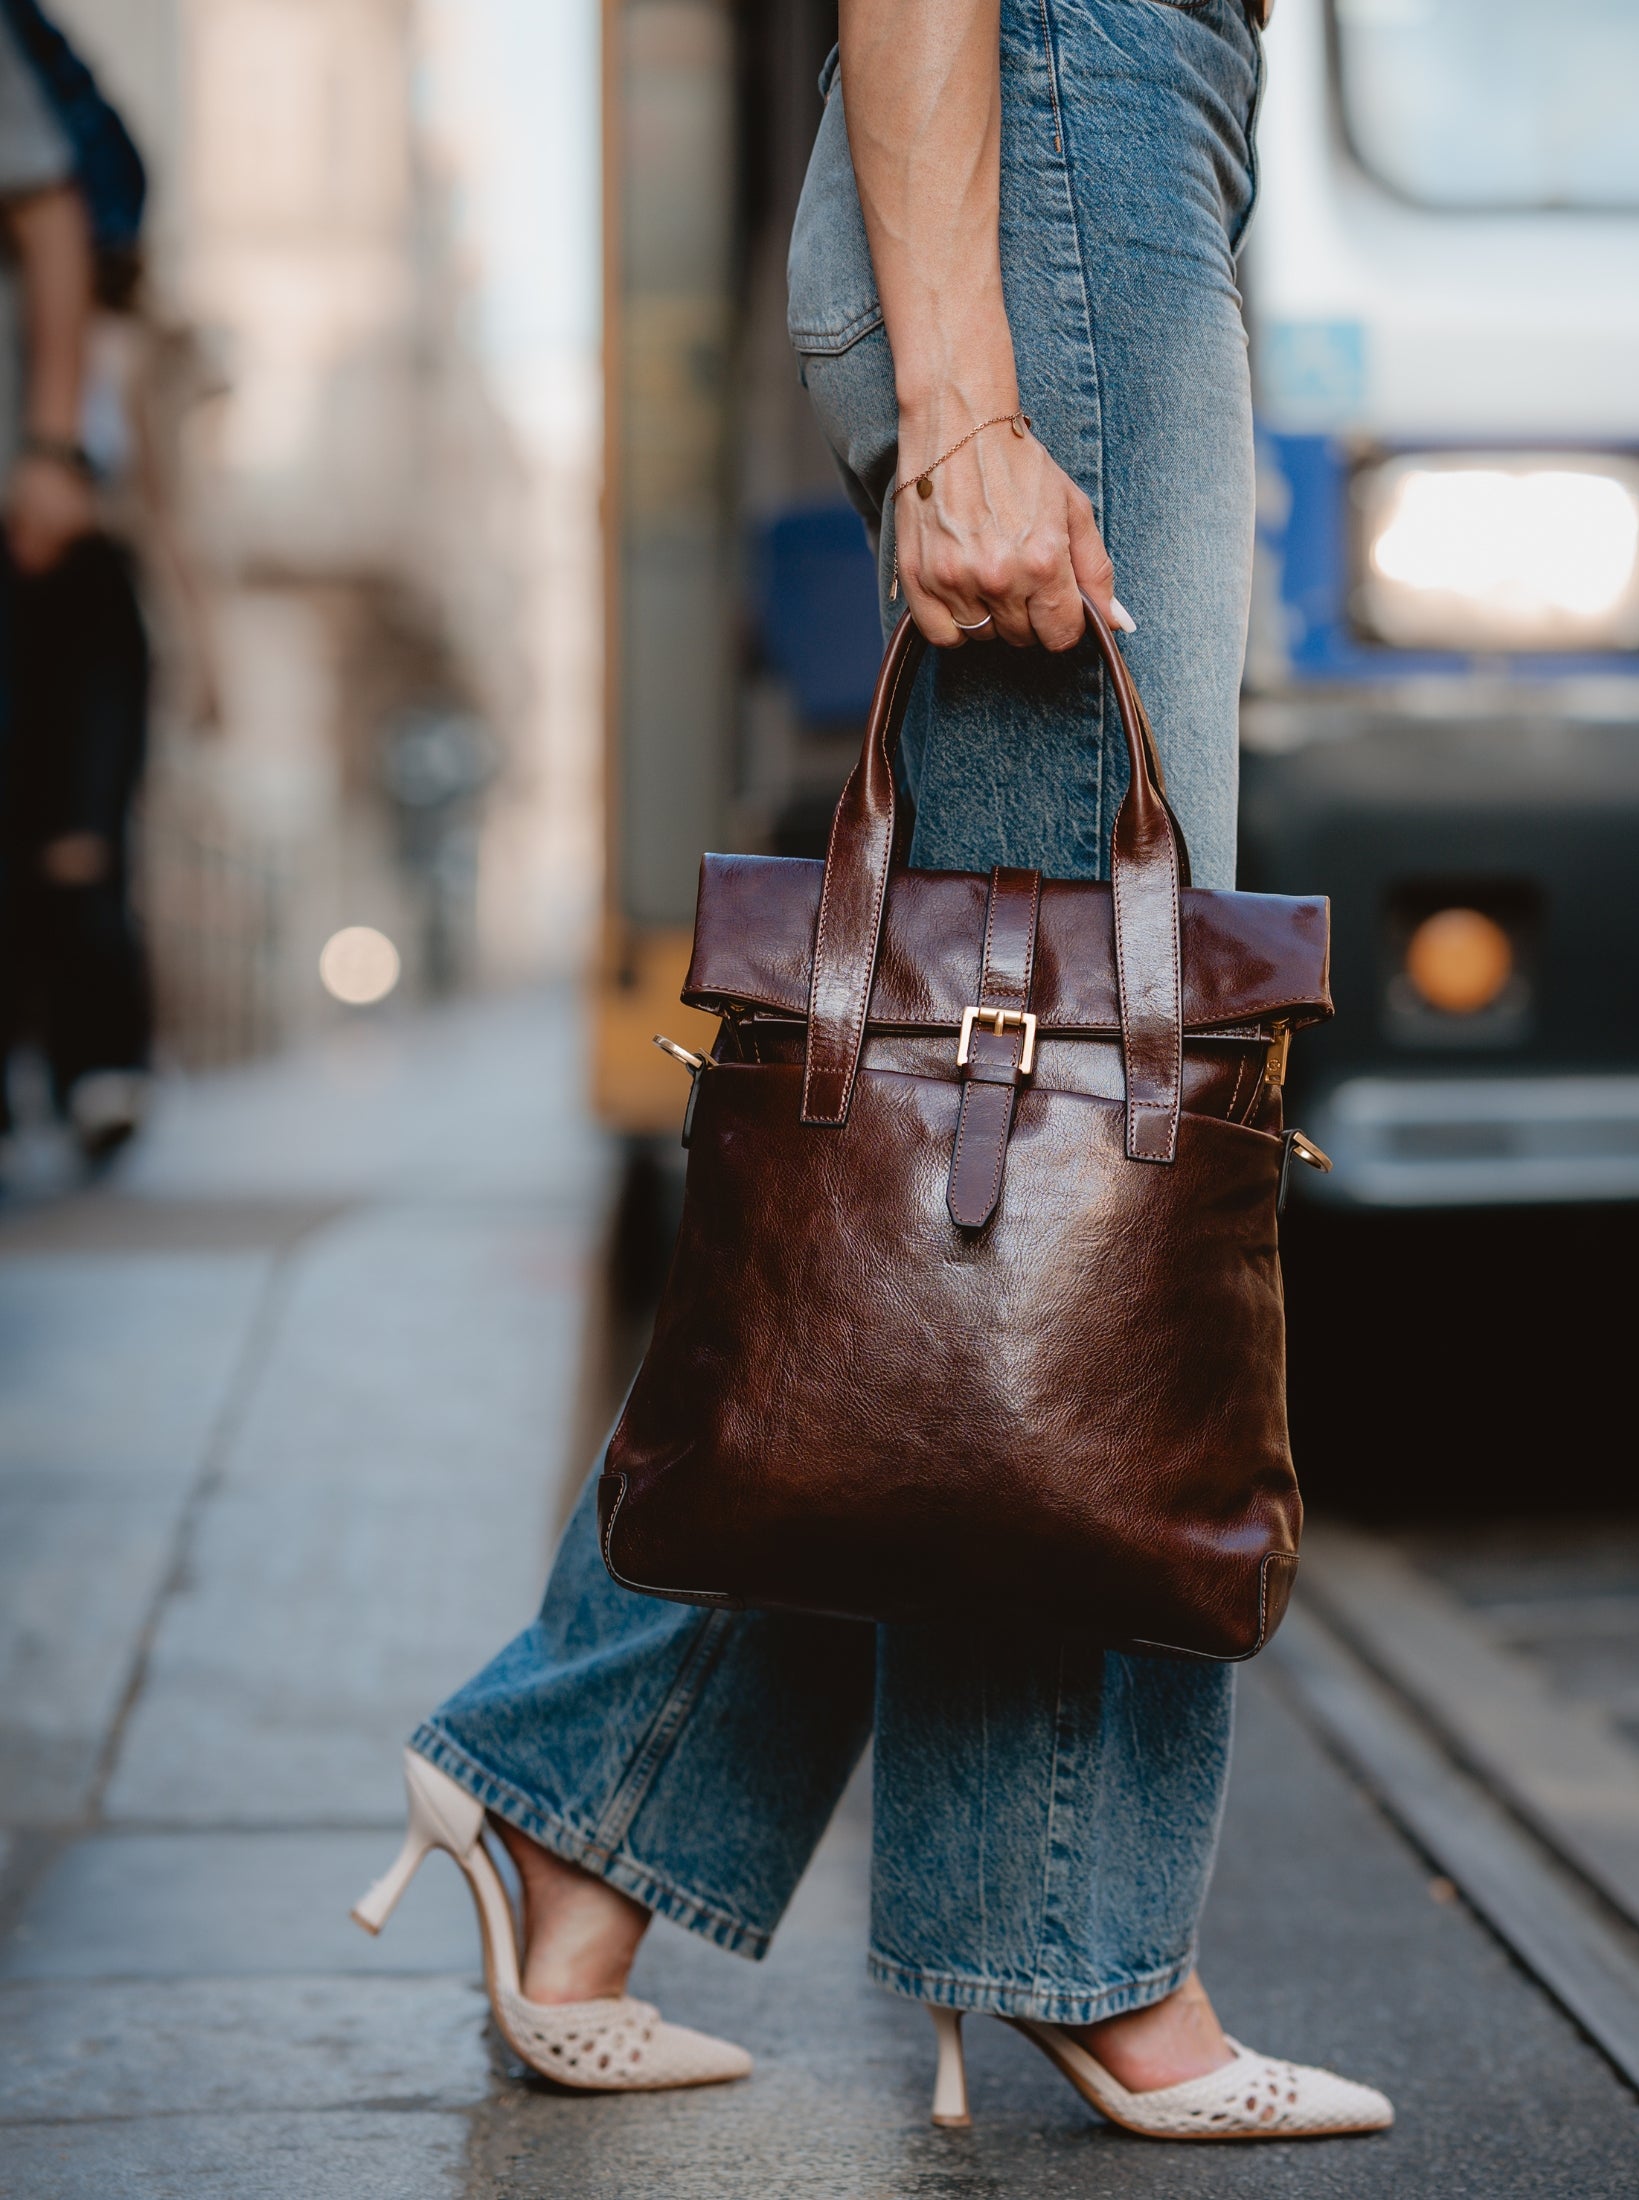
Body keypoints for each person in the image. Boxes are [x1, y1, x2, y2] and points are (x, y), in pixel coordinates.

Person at [355, 0, 1396, 2142]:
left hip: (1089, 159)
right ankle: (1078, 1935)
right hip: (1052, 150)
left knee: (955, 1182)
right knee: (1097, 1135)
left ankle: (578, 1808)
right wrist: (967, 397)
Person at [0, 0, 153, 1166]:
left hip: (65, 557)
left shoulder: (122, 354)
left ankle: (100, 1066)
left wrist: (50, 452)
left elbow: (162, 512)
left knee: (75, 841)